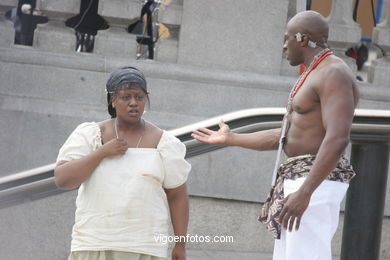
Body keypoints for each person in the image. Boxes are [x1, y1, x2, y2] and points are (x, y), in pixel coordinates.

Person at [192, 10, 358, 260]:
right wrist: (231, 138)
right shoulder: (314, 71)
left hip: (313, 184)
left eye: (287, 38)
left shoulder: (332, 73)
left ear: (302, 38)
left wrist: (305, 192)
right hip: (302, 180)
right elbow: (284, 136)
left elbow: (337, 138)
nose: (283, 45)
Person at [54, 67, 191, 260]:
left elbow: (177, 196)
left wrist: (180, 244)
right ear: (113, 100)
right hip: (93, 244)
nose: (134, 103)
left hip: (145, 248)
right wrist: (101, 153)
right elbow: (62, 179)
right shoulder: (90, 135)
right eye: (126, 97)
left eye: (139, 97)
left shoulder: (165, 144)